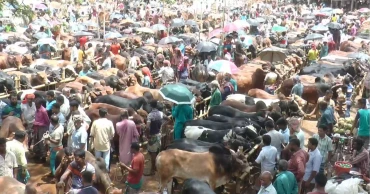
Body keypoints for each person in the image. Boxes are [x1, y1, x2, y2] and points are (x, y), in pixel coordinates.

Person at [146, 100, 164, 175]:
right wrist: (161, 127)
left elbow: (147, 127)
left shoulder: (150, 115)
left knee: (152, 153)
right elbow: (169, 119)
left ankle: (152, 170)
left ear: (150, 106)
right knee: (157, 152)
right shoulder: (160, 113)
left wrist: (148, 135)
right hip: (159, 135)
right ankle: (156, 168)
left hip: (152, 135)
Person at [46, 115, 64, 179]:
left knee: (52, 163)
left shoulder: (57, 131)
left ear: (51, 121)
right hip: (59, 147)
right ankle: (54, 173)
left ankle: (54, 175)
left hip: (55, 148)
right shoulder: (60, 126)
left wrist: (48, 139)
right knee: (57, 163)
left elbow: (57, 142)